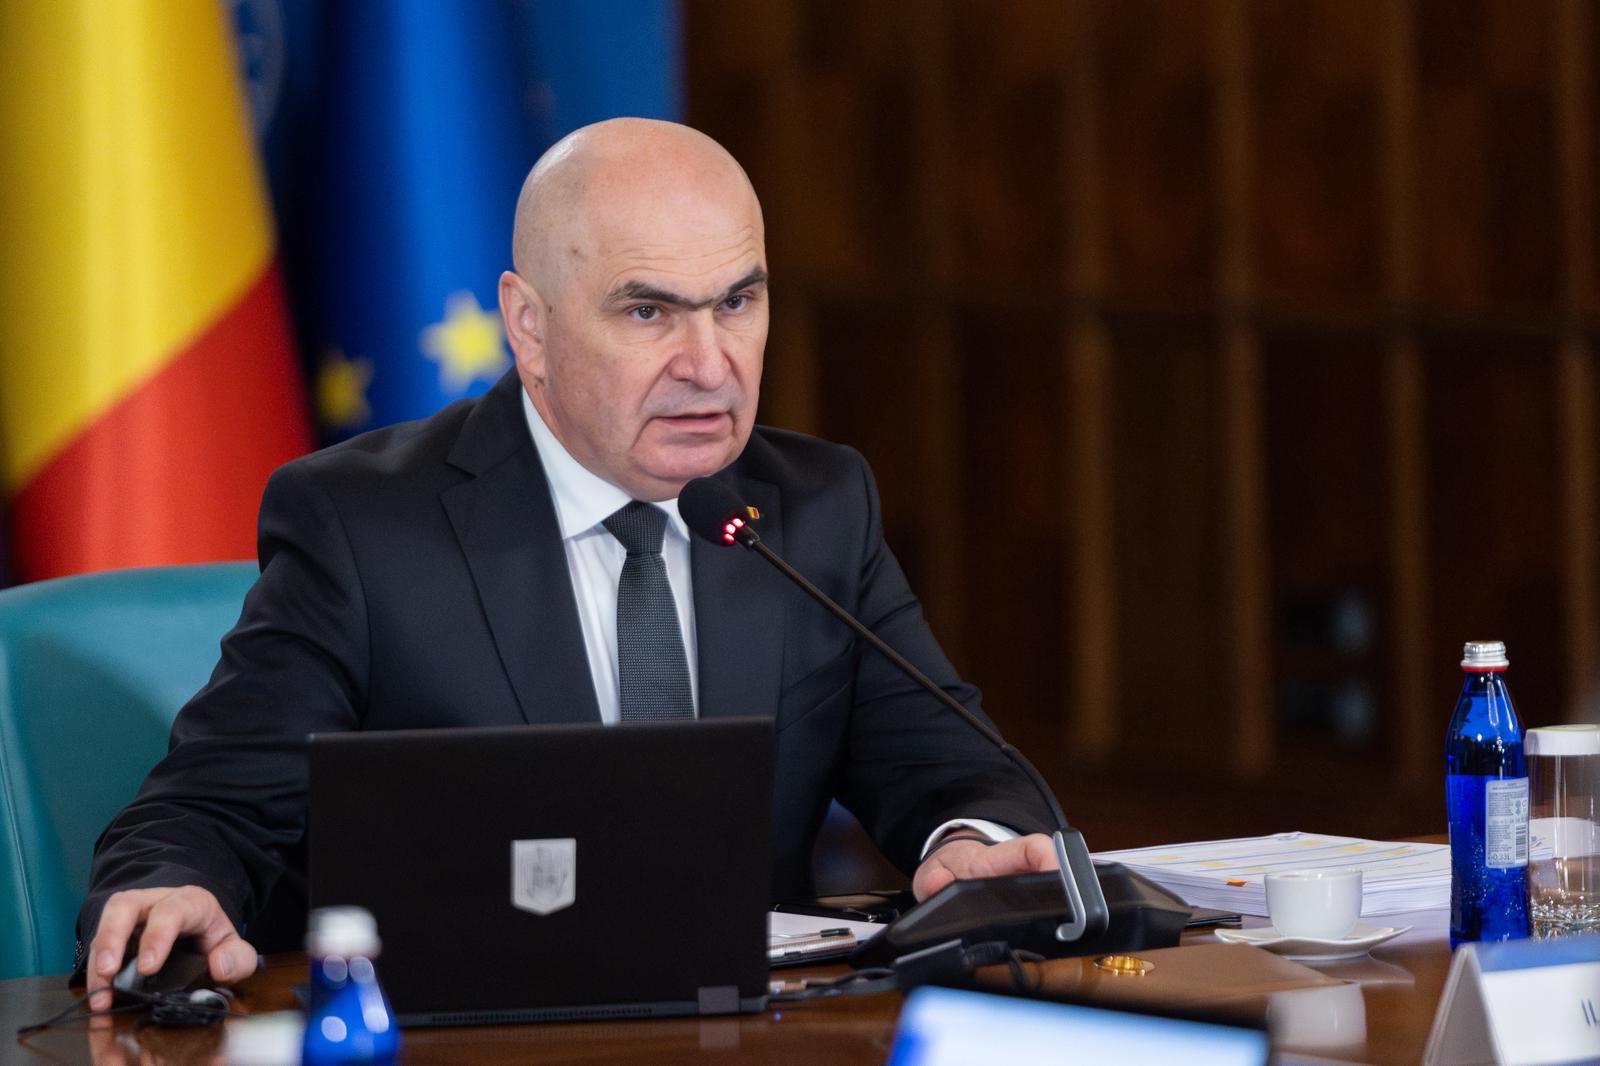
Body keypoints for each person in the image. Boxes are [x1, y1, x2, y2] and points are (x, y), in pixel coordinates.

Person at [80, 119, 1062, 1012]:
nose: (710, 363)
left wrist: (968, 843)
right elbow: (207, 810)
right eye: (648, 313)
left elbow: (961, 771)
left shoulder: (812, 509)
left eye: (738, 301)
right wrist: (175, 887)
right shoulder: (363, 528)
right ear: (530, 325)